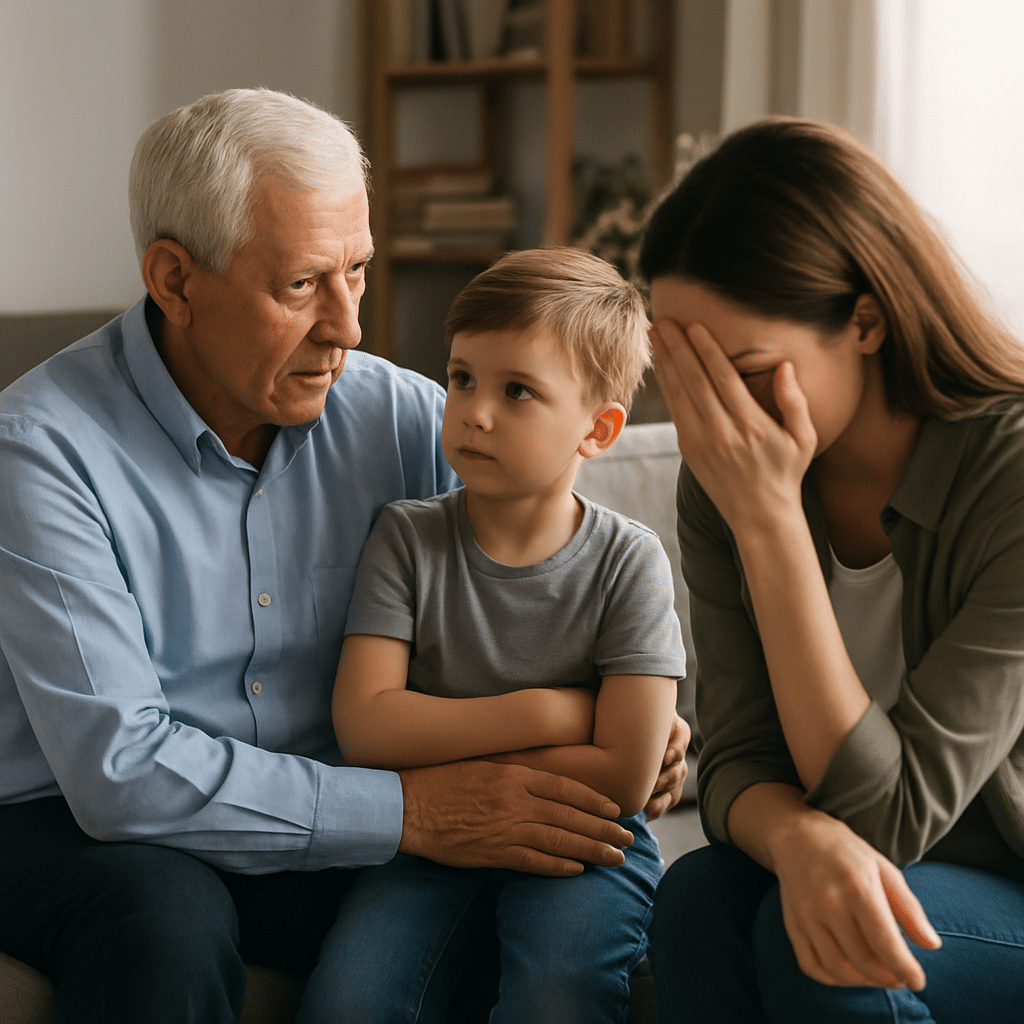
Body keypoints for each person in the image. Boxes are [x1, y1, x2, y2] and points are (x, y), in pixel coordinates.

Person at [0, 88, 689, 1024]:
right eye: (301, 285)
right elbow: (121, 772)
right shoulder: (40, 449)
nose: (349, 327)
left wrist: (630, 726)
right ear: (175, 280)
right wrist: (414, 813)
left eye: (356, 272)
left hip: (341, 805)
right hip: (76, 818)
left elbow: (561, 580)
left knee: (505, 923)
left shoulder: (398, 415)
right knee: (161, 917)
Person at [640, 116, 1024, 1024]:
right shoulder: (721, 478)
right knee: (696, 900)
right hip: (873, 861)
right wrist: (801, 836)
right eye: (689, 379)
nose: (715, 420)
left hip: (1000, 882)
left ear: (866, 320)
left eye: (743, 370)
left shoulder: (1009, 474)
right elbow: (734, 757)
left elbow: (893, 821)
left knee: (818, 938)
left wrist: (769, 522)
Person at [295, 247, 687, 1023]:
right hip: (430, 842)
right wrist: (555, 711)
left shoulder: (628, 561)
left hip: (585, 844)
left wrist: (441, 741)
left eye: (518, 392)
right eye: (463, 377)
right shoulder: (405, 539)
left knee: (556, 995)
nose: (475, 410)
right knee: (349, 1000)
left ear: (597, 429)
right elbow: (367, 727)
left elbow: (626, 776)